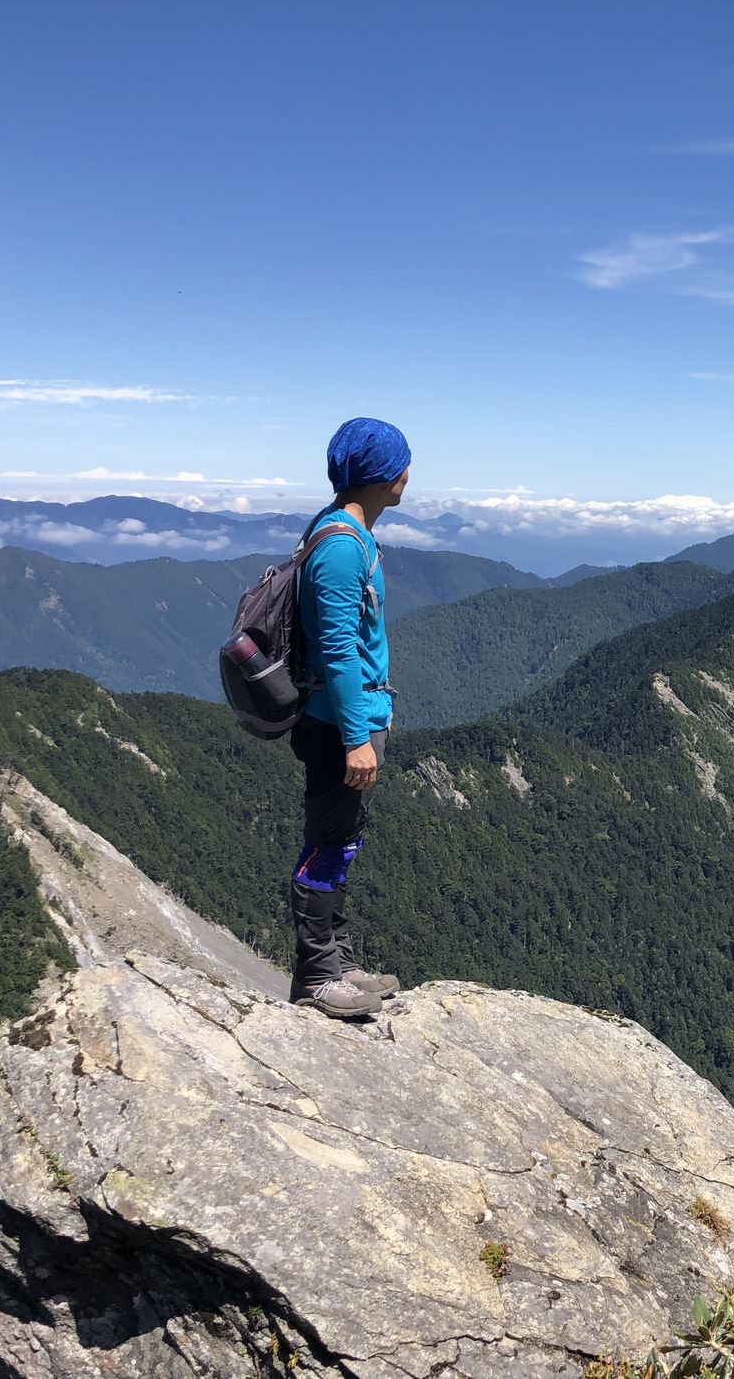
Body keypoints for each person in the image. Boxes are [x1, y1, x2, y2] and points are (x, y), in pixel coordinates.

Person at [286, 417, 411, 1019]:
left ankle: (337, 956)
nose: (409, 474)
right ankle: (317, 975)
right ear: (387, 476)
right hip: (339, 726)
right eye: (403, 464)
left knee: (342, 841)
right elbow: (336, 646)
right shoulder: (340, 546)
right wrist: (358, 738)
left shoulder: (345, 534)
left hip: (346, 720)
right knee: (329, 843)